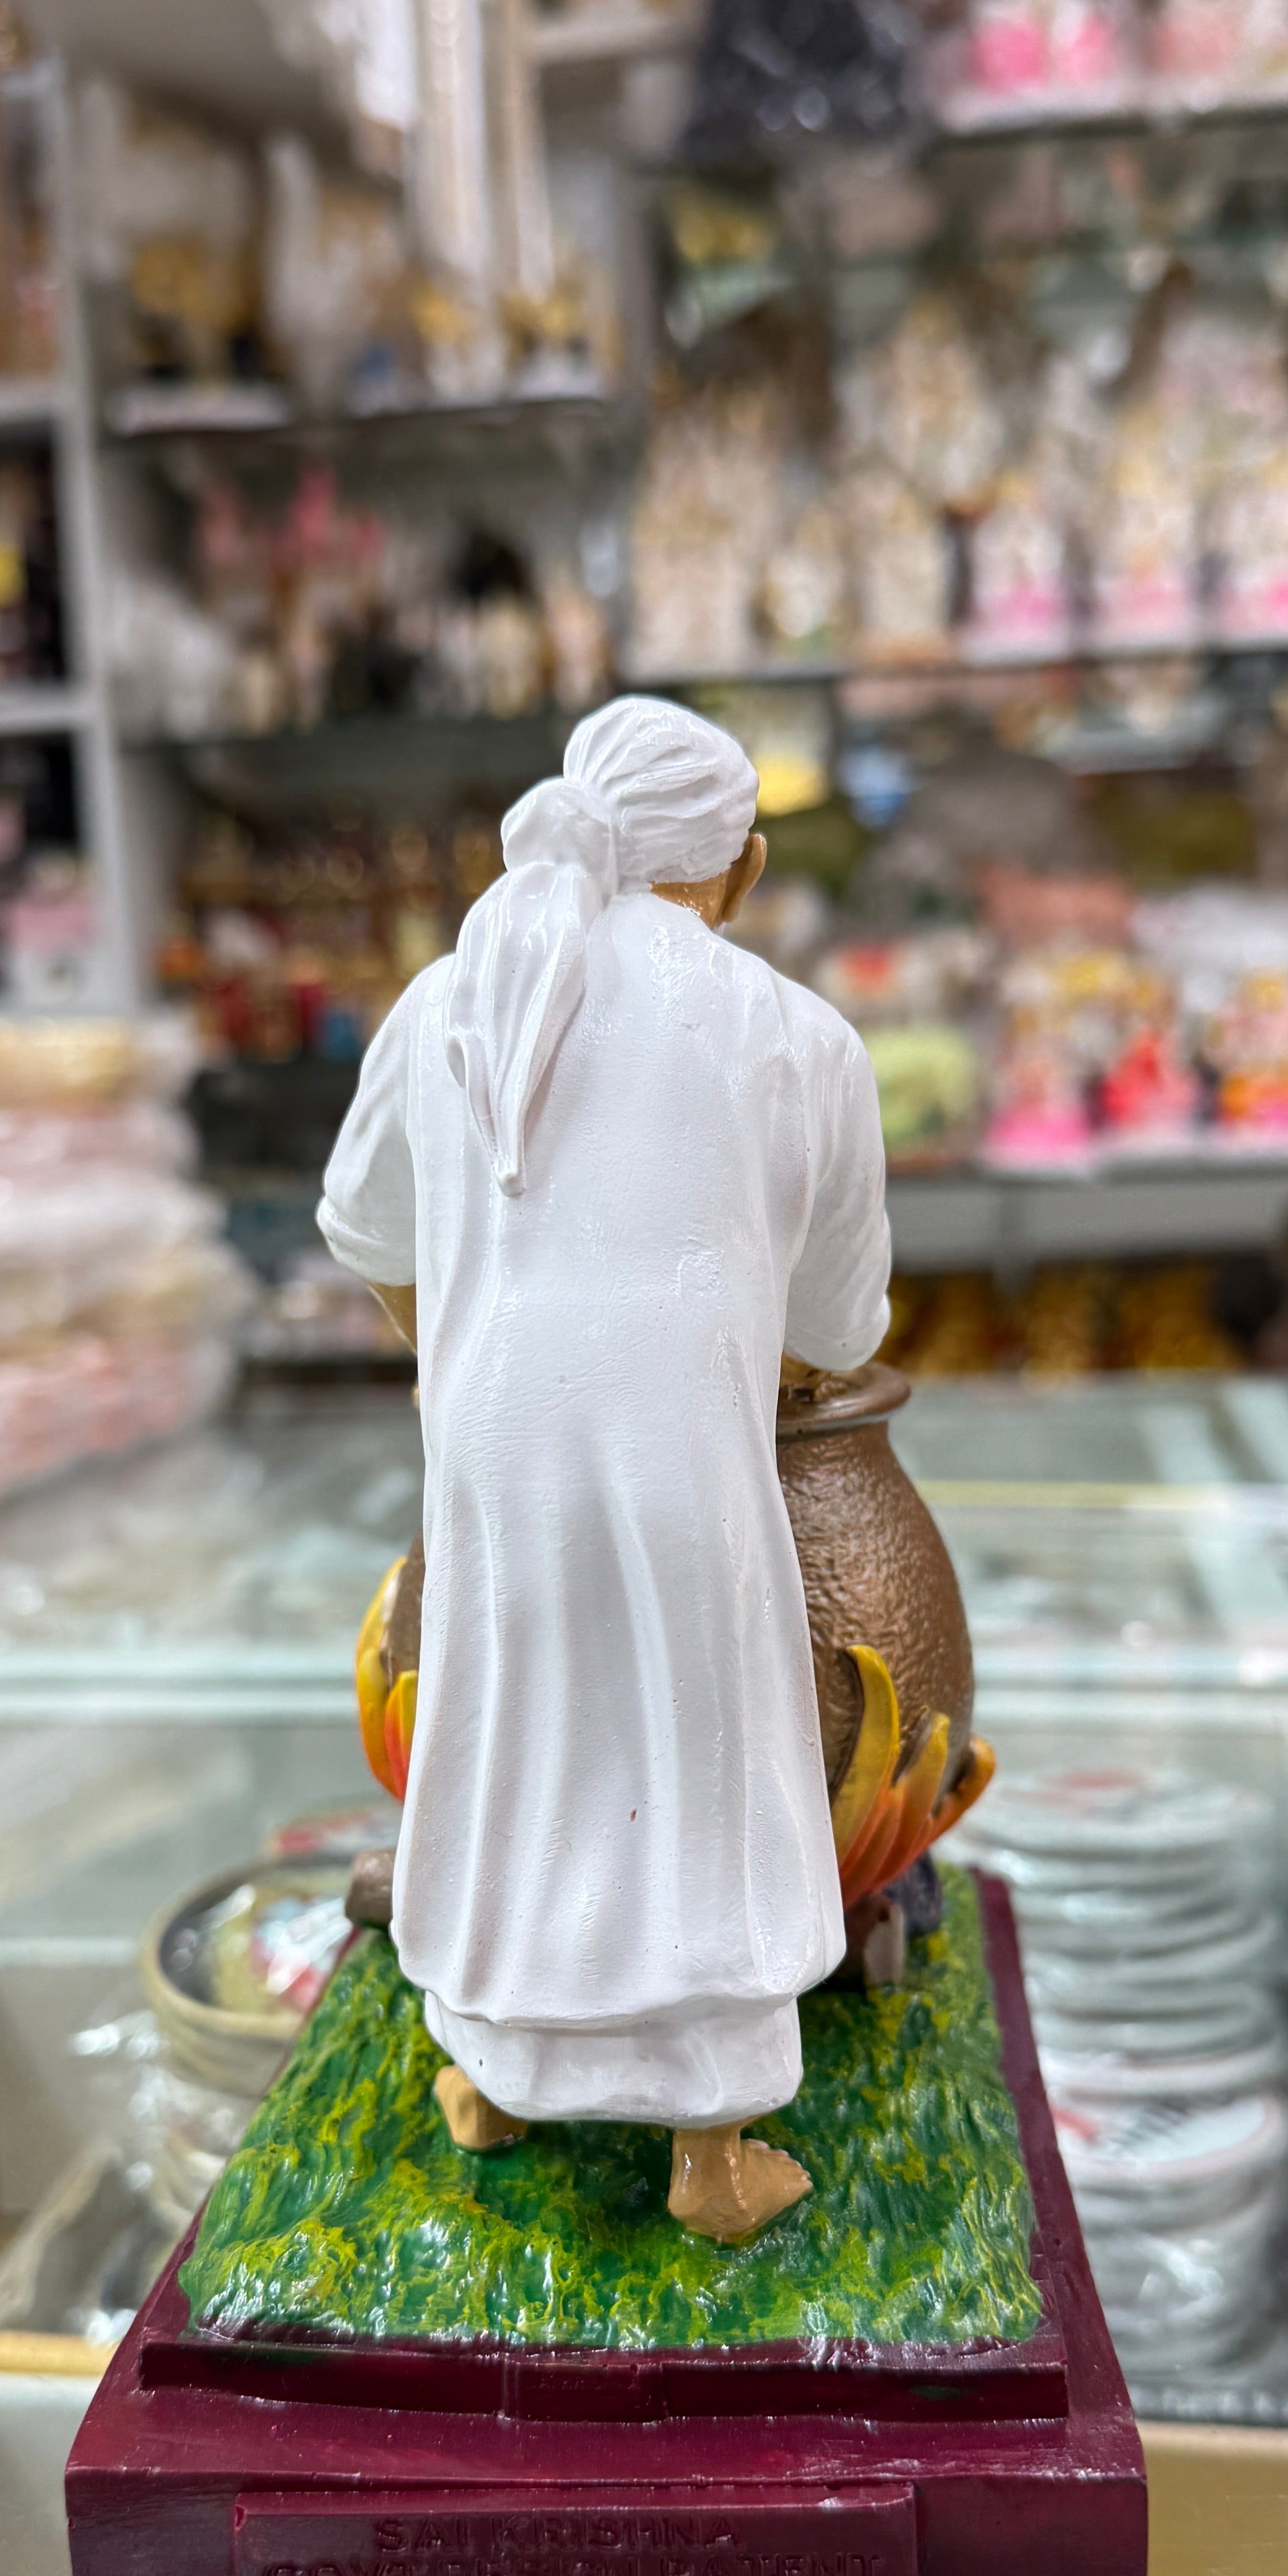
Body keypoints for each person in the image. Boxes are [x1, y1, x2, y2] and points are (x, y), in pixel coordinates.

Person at [318, 696, 891, 2242]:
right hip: (688, 1463)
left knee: (516, 1747)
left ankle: (493, 2075)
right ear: (744, 868)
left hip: (496, 1453)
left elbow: (365, 1235)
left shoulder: (449, 999)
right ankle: (711, 2150)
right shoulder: (795, 1035)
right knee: (695, 1764)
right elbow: (839, 1327)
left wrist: (475, 1342)